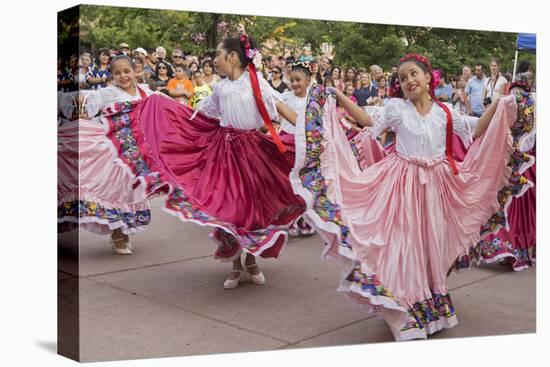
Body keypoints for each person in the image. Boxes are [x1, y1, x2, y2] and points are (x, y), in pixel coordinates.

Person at [289, 53, 533, 340]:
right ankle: (405, 304)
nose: (409, 81)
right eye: (403, 78)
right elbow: (368, 120)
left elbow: (477, 128)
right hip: (402, 185)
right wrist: (338, 94)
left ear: (428, 77)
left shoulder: (445, 111)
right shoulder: (396, 109)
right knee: (406, 245)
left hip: (437, 186)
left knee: (432, 246)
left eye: (414, 74)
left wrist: (502, 103)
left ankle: (430, 300)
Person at [102, 34, 305, 290]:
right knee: (228, 207)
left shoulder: (257, 84)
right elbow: (199, 114)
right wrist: (161, 105)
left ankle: (251, 260)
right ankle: (235, 264)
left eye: (218, 56)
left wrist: (313, 132)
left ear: (231, 57)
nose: (214, 61)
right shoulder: (220, 88)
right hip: (223, 153)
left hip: (253, 151)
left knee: (252, 208)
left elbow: (283, 110)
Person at [58, 55, 154, 254]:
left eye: (126, 71)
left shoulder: (145, 92)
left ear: (135, 71)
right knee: (117, 191)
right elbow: (88, 107)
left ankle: (123, 233)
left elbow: (164, 106)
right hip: (115, 153)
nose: (123, 76)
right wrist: (82, 115)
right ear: (111, 76)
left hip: (137, 154)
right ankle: (118, 235)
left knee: (132, 191)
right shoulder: (109, 93)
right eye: (117, 73)